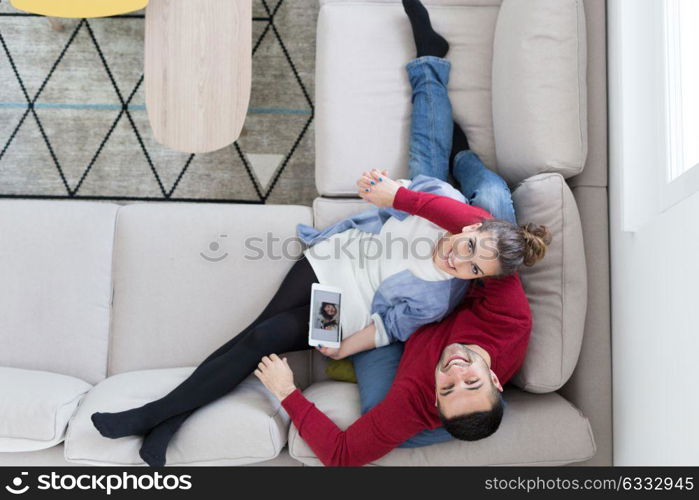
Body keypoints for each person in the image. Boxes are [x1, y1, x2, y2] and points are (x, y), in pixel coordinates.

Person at [89, 0, 550, 467]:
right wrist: (397, 198)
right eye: (468, 380)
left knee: (259, 337)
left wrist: (304, 382)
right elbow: (467, 230)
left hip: (351, 302)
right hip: (382, 241)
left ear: (436, 397)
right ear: (493, 381)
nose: (453, 372)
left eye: (448, 387)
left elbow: (387, 341)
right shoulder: (500, 300)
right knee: (480, 195)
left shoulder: (422, 386)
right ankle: (458, 136)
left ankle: (159, 418)